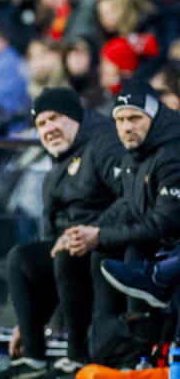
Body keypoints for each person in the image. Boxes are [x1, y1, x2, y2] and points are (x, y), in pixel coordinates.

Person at [0, 88, 123, 379]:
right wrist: (30, 319)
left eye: (54, 118)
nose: (48, 129)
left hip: (109, 242)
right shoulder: (57, 164)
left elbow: (129, 199)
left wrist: (93, 230)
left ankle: (77, 357)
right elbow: (51, 230)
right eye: (41, 124)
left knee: (68, 253)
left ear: (74, 116)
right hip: (73, 247)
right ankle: (32, 357)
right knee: (22, 258)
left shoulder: (105, 144)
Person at [64, 82, 180, 326]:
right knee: (93, 253)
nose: (127, 127)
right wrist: (89, 231)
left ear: (153, 117)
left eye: (135, 118)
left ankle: (141, 343)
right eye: (121, 120)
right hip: (163, 241)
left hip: (169, 242)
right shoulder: (136, 153)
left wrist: (101, 235)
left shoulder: (171, 154)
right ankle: (102, 347)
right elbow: (128, 202)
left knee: (135, 248)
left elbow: (165, 221)